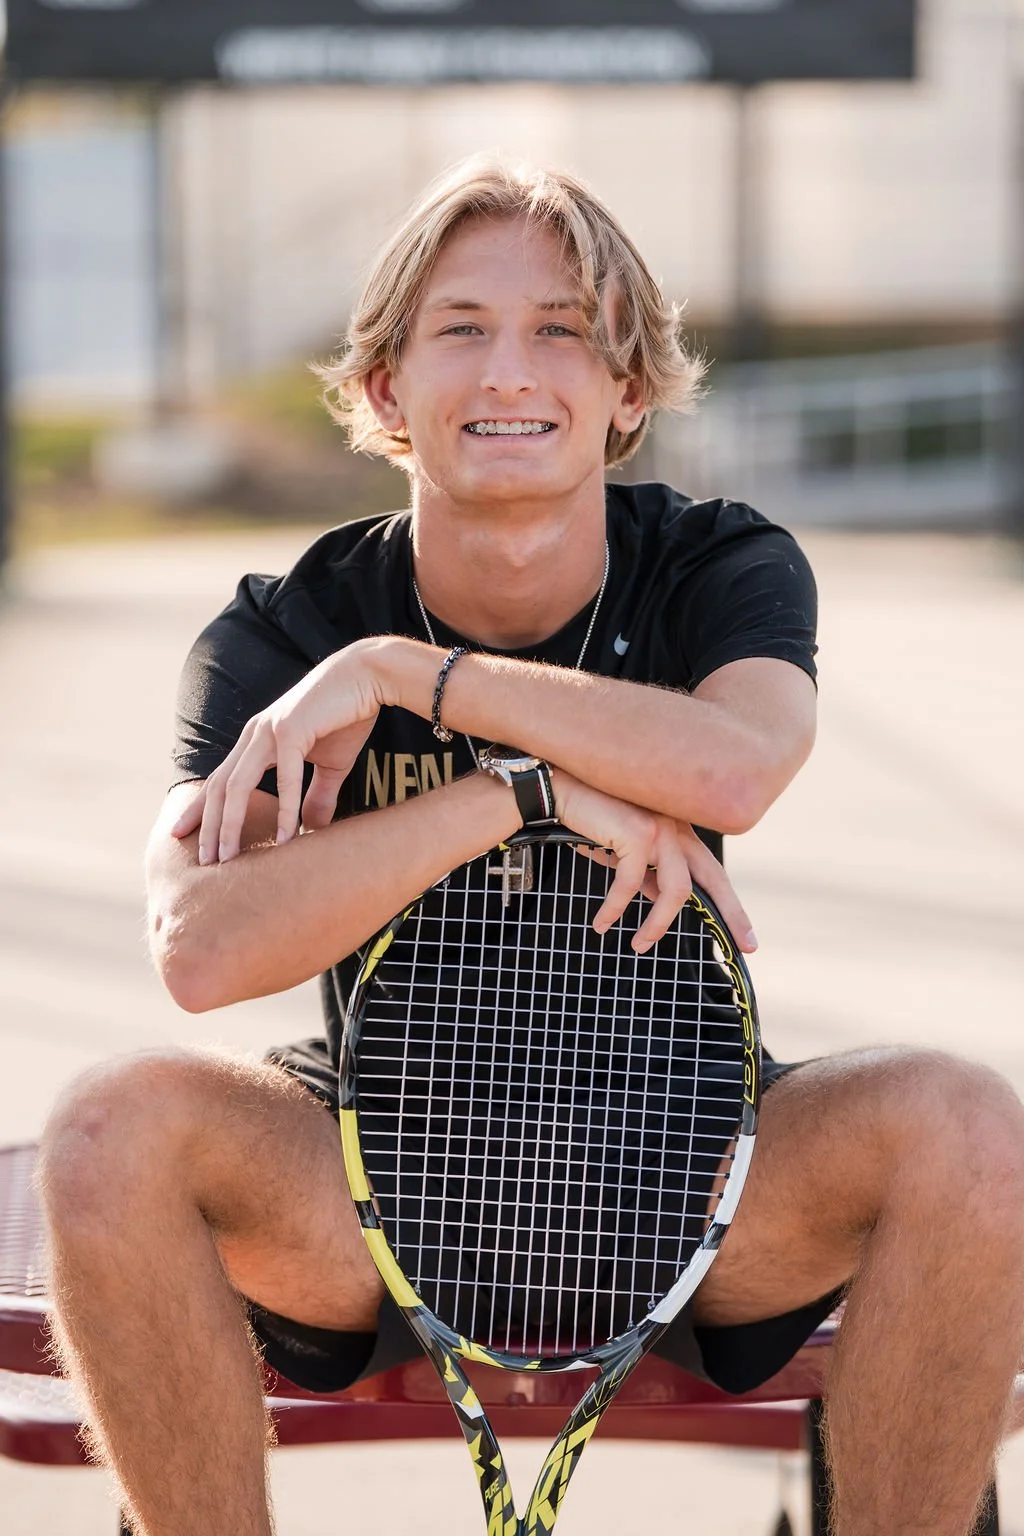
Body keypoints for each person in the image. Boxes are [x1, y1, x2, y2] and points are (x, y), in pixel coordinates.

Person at [38, 160, 1024, 1536]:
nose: (514, 368)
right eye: (462, 328)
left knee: (969, 1127)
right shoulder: (285, 625)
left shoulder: (718, 565)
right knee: (107, 1129)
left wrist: (410, 676)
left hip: (706, 1169)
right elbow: (198, 950)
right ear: (385, 390)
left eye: (563, 329)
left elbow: (738, 758)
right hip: (366, 1176)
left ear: (628, 392)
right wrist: (520, 794)